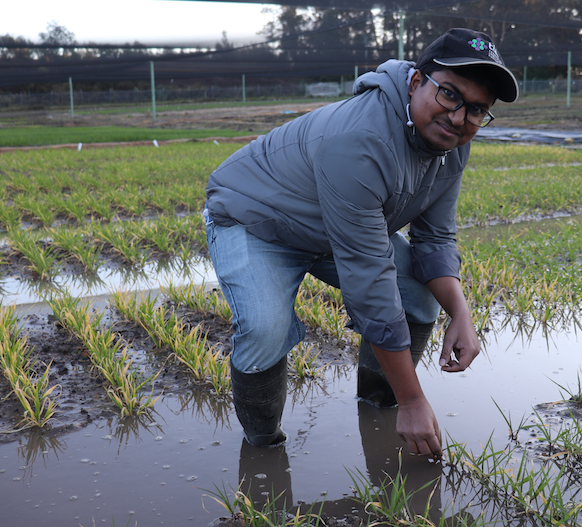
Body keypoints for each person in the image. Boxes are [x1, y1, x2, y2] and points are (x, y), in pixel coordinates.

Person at [204, 28, 519, 457]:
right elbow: (369, 277)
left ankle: (378, 404)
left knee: (420, 300)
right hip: (255, 218)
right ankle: (263, 448)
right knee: (264, 329)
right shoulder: (361, 140)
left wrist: (460, 313)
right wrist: (415, 399)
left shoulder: (451, 145)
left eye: (477, 110)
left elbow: (434, 239)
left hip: (334, 227)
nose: (460, 117)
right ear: (415, 83)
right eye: (449, 94)